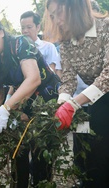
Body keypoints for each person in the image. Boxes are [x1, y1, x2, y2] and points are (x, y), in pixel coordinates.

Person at [0, 15, 61, 187]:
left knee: (40, 157)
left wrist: (5, 109)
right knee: (18, 153)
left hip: (46, 102)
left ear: (0, 32)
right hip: (22, 104)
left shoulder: (21, 44)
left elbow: (33, 79)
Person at [44, 0, 109, 187]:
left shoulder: (106, 27)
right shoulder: (66, 42)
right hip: (99, 99)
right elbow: (69, 79)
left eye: (58, 13)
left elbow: (107, 74)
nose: (56, 21)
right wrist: (60, 104)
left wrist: (73, 104)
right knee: (96, 153)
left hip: (104, 92)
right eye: (52, 16)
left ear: (75, 6)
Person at [20, 10, 62, 78]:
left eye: (29, 27)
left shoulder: (48, 47)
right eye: (23, 28)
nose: (25, 31)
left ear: (38, 27)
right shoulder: (19, 50)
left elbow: (53, 72)